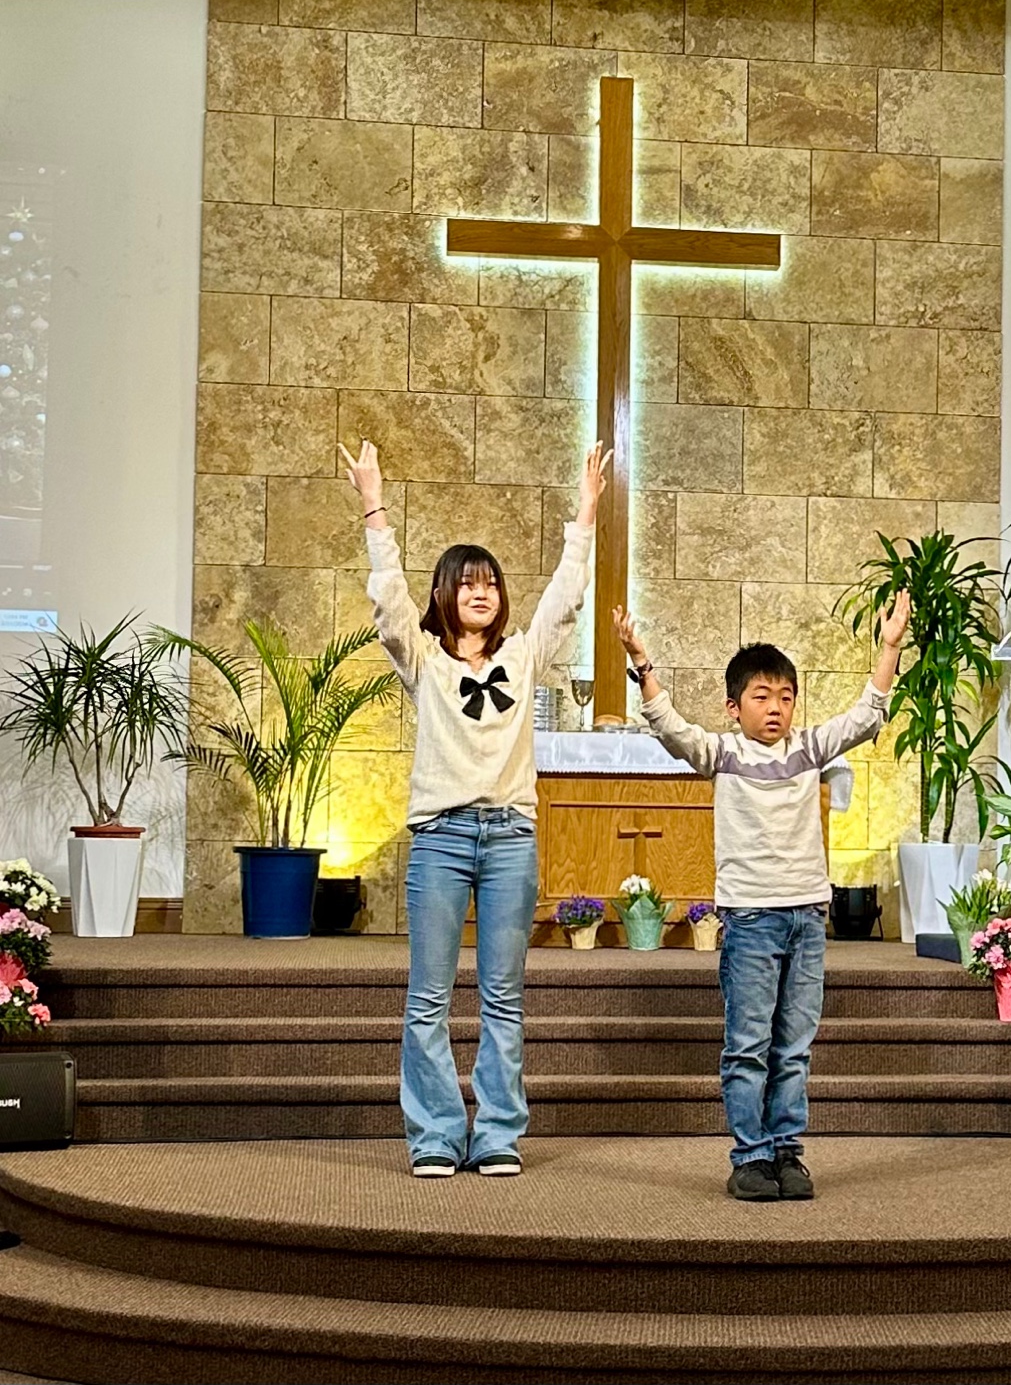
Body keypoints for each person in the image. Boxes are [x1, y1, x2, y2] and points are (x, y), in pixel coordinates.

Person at [343, 435, 610, 1178]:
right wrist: (374, 508)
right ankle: (434, 1134)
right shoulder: (423, 659)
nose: (480, 592)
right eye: (466, 583)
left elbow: (566, 596)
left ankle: (495, 1133)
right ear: (444, 595)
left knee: (503, 996)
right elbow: (388, 603)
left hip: (510, 839)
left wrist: (586, 512)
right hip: (441, 839)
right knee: (428, 997)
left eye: (490, 582)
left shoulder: (523, 656)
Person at [611, 594, 911, 1201]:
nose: (775, 708)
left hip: (806, 917)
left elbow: (866, 715)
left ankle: (788, 1152)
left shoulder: (809, 749)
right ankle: (750, 1155)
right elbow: (670, 727)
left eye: (785, 697)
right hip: (750, 920)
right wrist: (642, 662)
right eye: (762, 696)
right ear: (734, 706)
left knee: (794, 1047)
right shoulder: (723, 753)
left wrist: (889, 648)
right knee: (748, 1045)